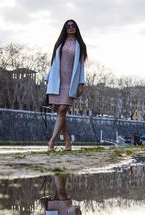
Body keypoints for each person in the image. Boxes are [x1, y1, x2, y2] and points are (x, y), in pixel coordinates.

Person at [46, 19, 87, 150]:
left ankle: (52, 141)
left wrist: (81, 83)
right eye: (68, 26)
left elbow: (81, 66)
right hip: (57, 80)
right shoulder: (60, 43)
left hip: (71, 82)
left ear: (76, 28)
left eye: (73, 25)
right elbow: (53, 62)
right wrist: (48, 78)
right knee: (60, 113)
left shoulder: (80, 45)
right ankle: (68, 141)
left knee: (63, 110)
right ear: (65, 28)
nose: (70, 28)